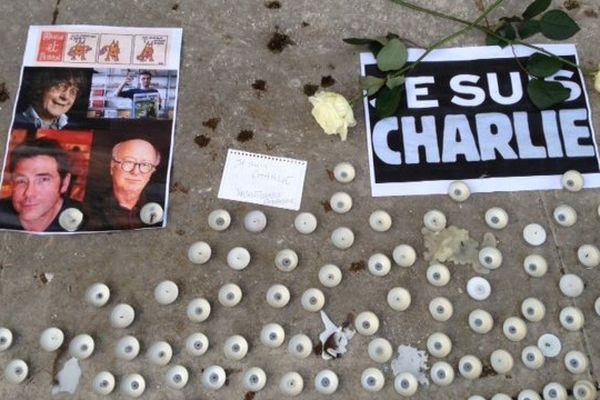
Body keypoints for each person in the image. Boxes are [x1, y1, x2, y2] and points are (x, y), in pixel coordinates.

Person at [0, 137, 83, 232]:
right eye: (21, 181)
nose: (29, 193)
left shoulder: (85, 224)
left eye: (43, 180)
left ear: (64, 183)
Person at [90, 138, 162, 230]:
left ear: (152, 172)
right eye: (129, 162)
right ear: (112, 166)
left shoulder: (164, 208)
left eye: (145, 165)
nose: (135, 172)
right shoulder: (90, 211)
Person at [14, 68, 87, 130]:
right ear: (40, 88)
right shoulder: (14, 122)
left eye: (73, 92)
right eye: (59, 87)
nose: (66, 97)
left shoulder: (77, 129)